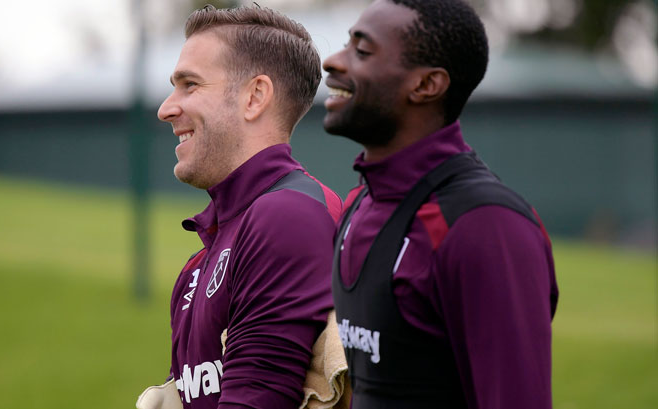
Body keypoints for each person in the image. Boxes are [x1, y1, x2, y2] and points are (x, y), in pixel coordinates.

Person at [322, 0, 559, 408]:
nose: (332, 61)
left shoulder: (484, 225)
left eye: (362, 51)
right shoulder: (361, 206)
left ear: (426, 85)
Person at [149, 5, 342, 409]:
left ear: (254, 97)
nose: (166, 108)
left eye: (190, 85)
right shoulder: (197, 263)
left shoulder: (287, 215)